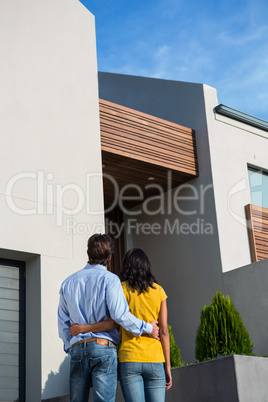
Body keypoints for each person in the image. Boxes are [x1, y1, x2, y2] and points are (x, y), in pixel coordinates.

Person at [58, 234, 159, 402]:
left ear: (88, 253)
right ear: (110, 256)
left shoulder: (68, 282)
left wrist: (72, 345)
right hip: (103, 347)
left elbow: (63, 322)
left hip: (77, 348)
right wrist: (148, 327)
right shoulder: (110, 279)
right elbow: (120, 315)